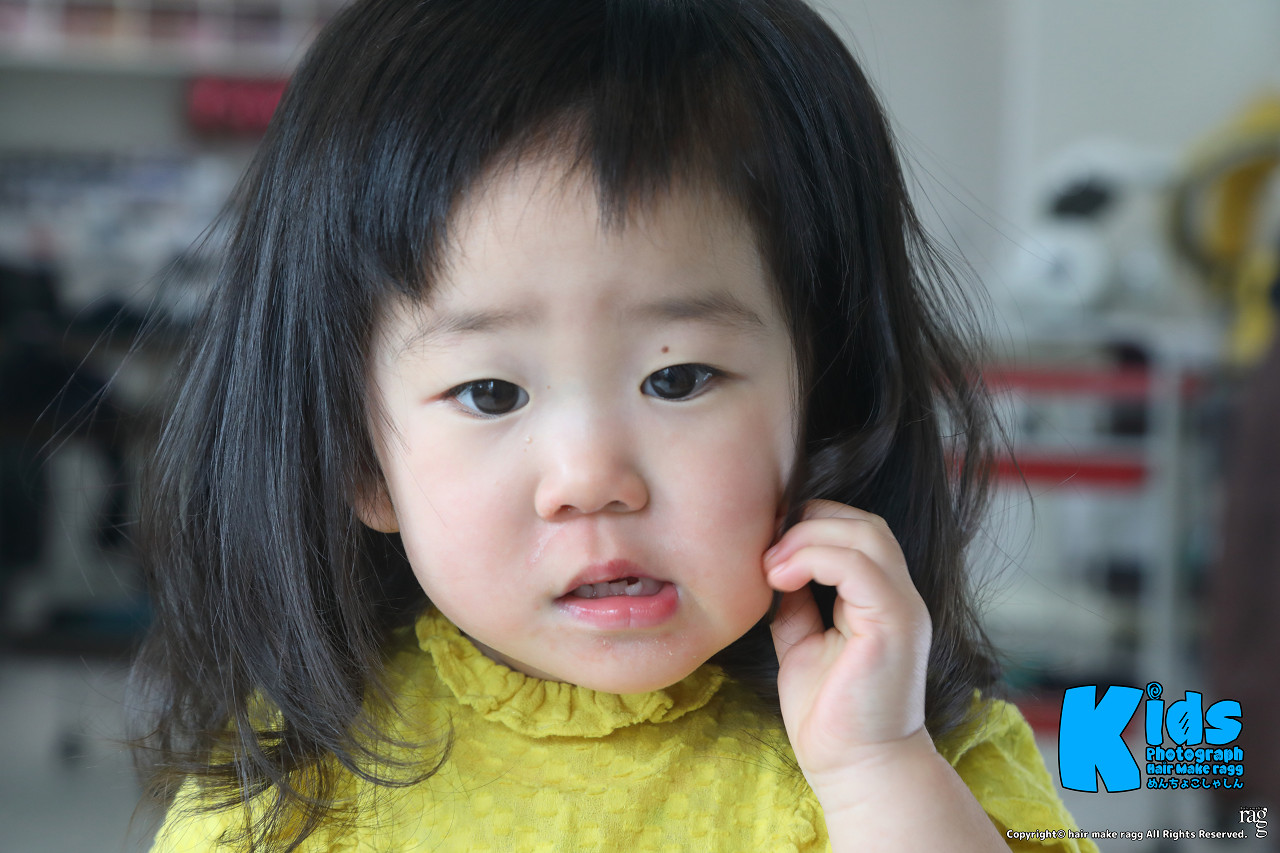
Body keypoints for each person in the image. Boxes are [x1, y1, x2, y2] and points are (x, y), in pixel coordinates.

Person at [133, 0, 1096, 850]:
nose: (591, 476)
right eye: (491, 393)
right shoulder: (292, 790)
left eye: (677, 378)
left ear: (824, 397)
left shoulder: (917, 744)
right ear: (360, 459)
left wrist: (876, 771)